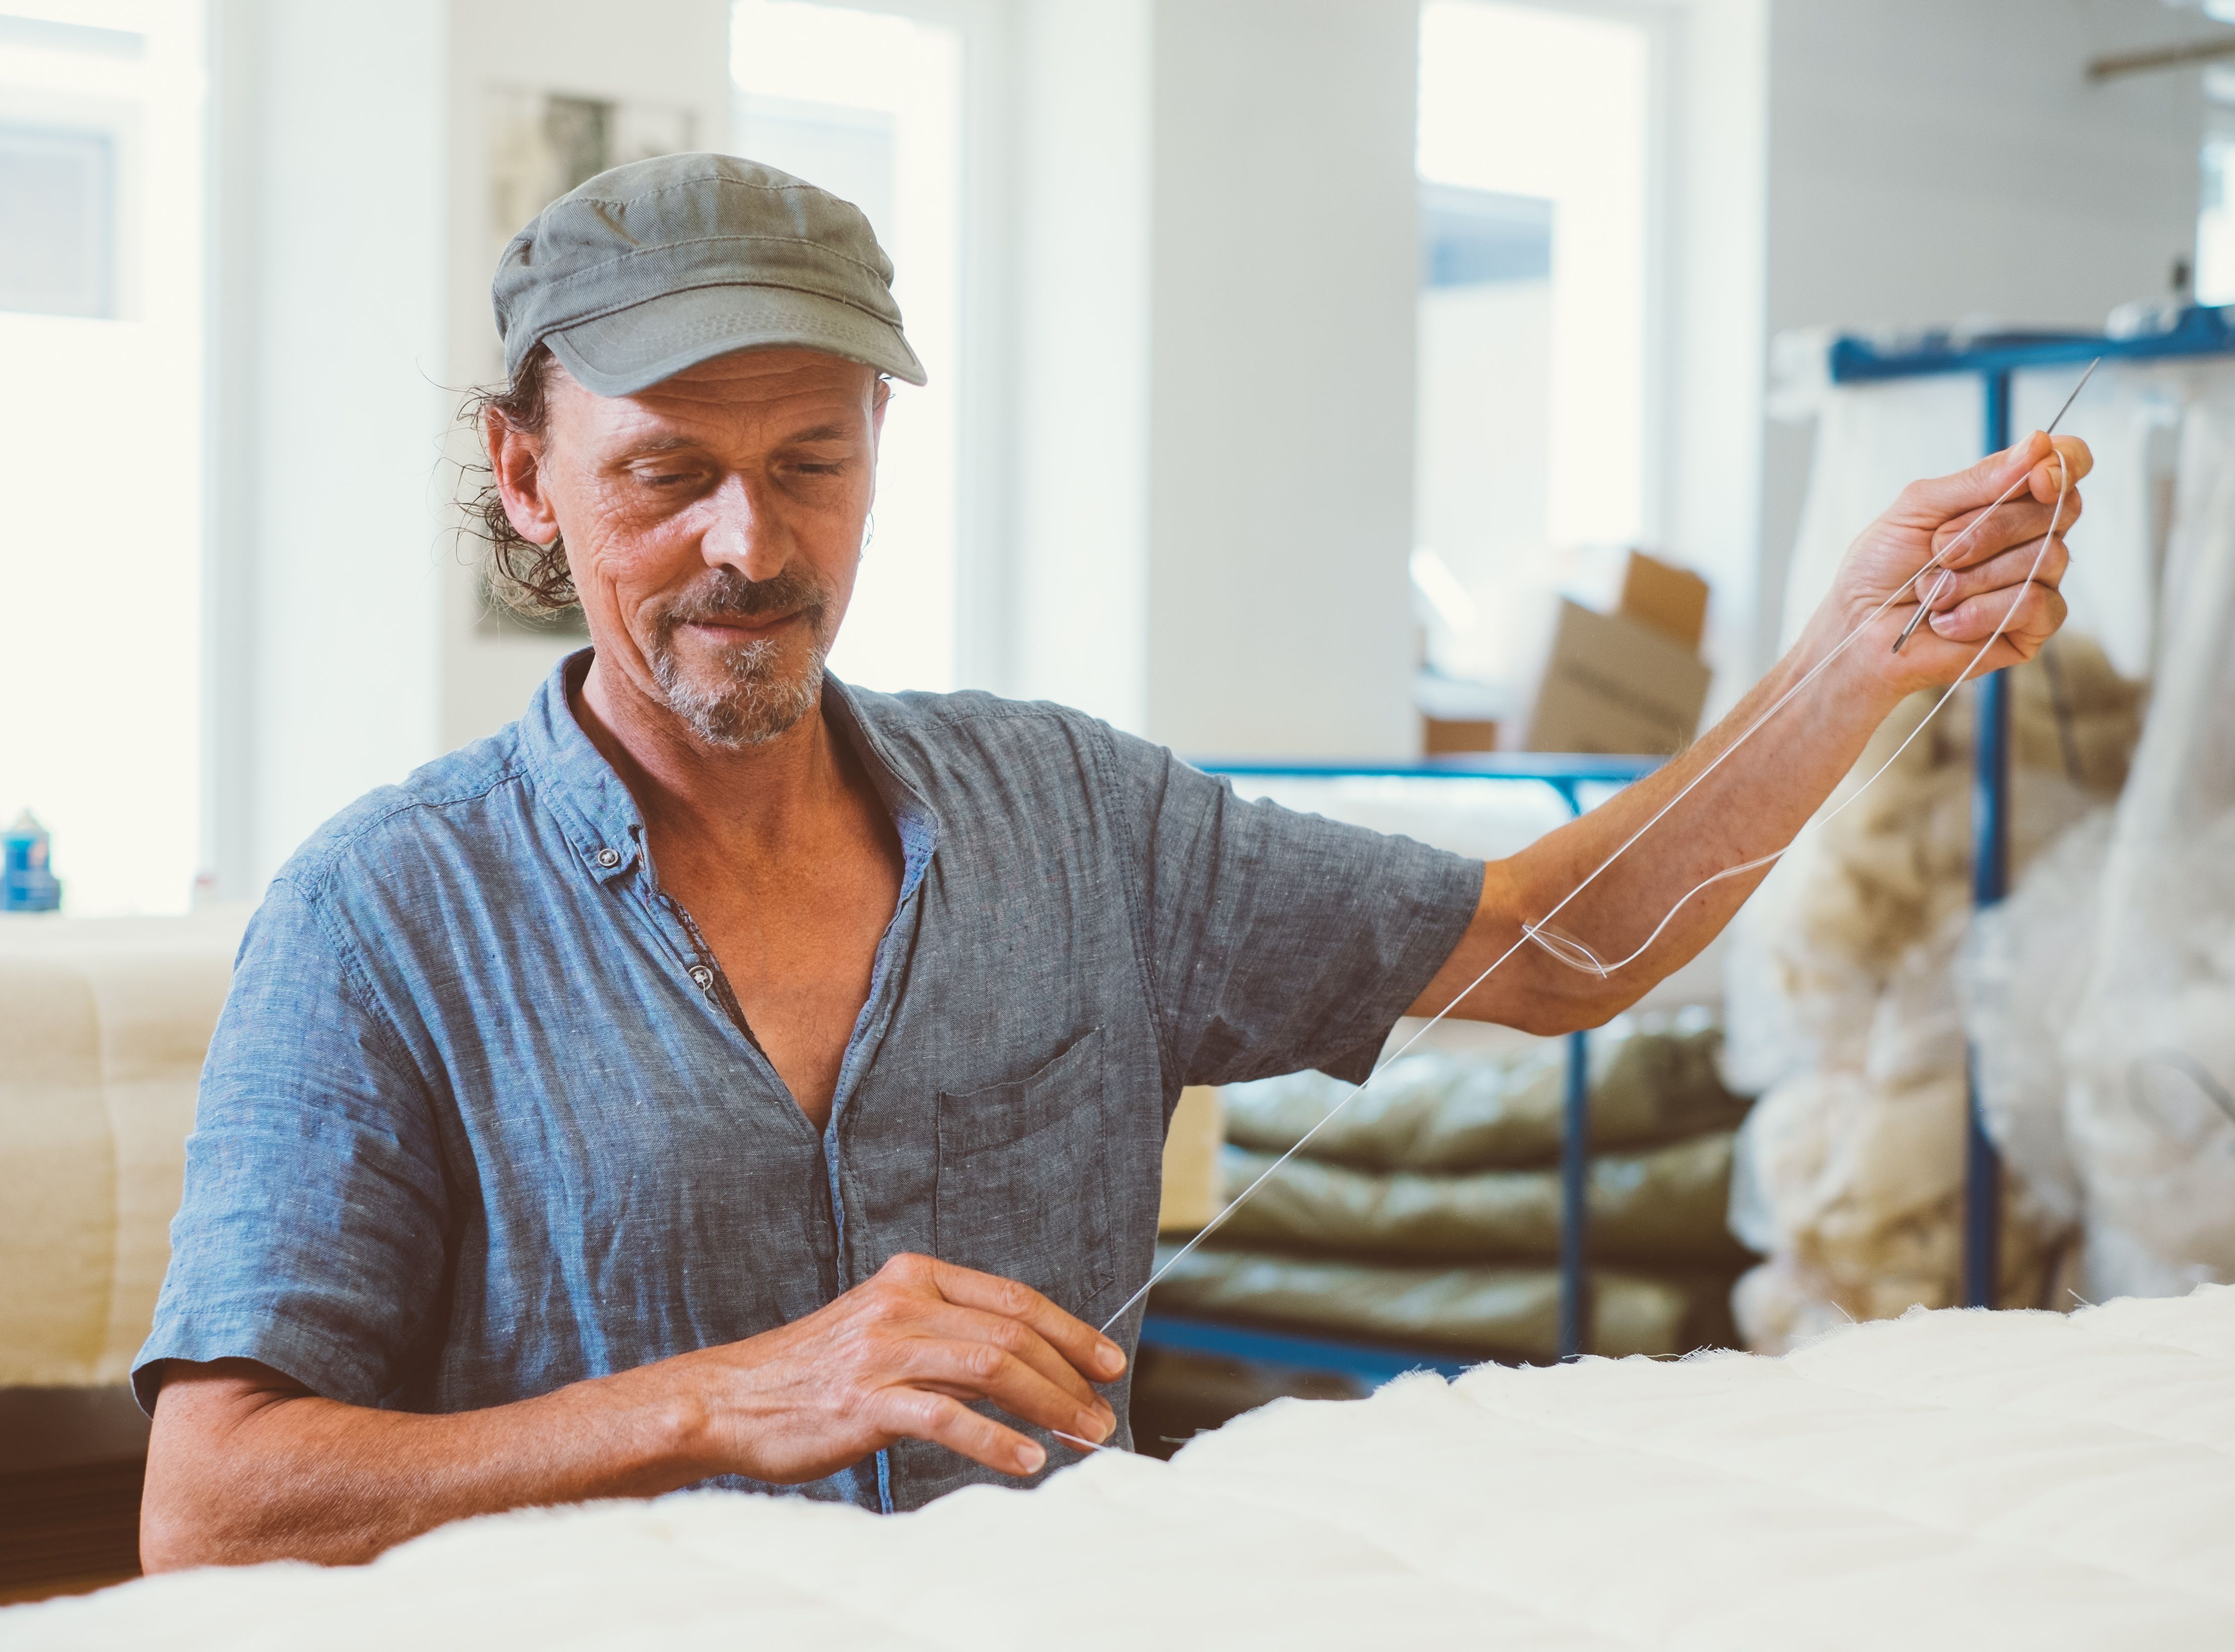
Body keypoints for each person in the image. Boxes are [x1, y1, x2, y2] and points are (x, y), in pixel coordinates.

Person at [137, 153, 2086, 1568]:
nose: (751, 541)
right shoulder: (382, 916)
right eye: (666, 472)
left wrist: (1849, 658)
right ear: (524, 471)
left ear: (881, 442)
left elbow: (1551, 949)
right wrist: (733, 1397)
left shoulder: (1075, 817)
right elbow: (213, 1506)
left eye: (813, 458)